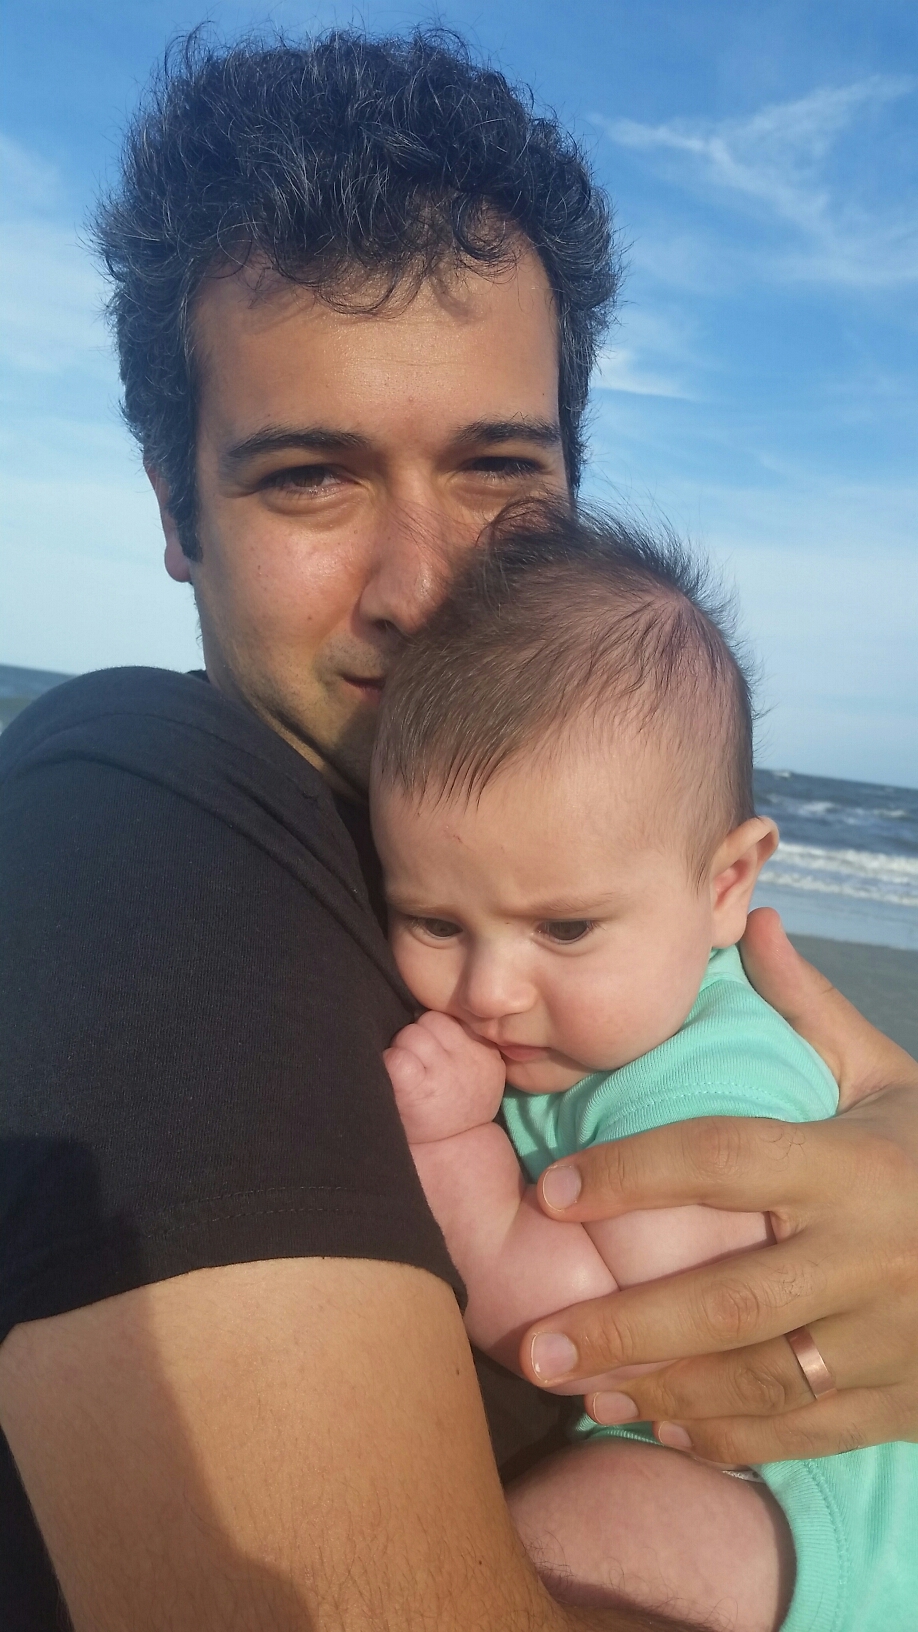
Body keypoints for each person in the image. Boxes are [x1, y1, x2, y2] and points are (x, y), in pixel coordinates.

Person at [0, 28, 915, 1632]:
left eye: (498, 471)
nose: (423, 588)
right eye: (311, 477)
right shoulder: (127, 818)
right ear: (173, 512)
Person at [374, 506, 915, 1632]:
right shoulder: (603, 1025)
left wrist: (455, 1154)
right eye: (433, 921)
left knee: (560, 1537)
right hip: (754, 1483)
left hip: (803, 1506)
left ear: (726, 886)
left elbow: (600, 1340)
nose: (489, 989)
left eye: (565, 928)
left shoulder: (707, 1081)